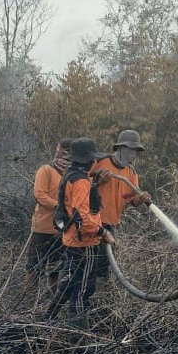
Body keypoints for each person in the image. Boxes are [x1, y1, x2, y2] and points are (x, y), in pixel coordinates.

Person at [45, 137, 115, 329]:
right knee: (83, 288)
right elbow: (82, 215)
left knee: (68, 282)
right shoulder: (81, 181)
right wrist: (102, 232)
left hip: (71, 240)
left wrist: (95, 181)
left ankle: (48, 318)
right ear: (89, 160)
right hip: (84, 243)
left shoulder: (71, 175)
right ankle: (78, 334)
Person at [90, 129, 152, 279]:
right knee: (85, 261)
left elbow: (130, 199)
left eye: (136, 152)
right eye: (131, 151)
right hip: (91, 221)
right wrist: (97, 182)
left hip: (111, 224)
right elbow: (81, 185)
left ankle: (98, 297)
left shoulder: (131, 173)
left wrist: (141, 198)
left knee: (104, 265)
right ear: (121, 148)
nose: (133, 156)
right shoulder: (99, 162)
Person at [24, 138, 72, 299]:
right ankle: (29, 302)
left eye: (68, 152)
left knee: (56, 268)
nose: (64, 154)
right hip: (42, 227)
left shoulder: (73, 174)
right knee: (34, 266)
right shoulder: (46, 170)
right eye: (62, 150)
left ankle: (54, 300)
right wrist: (59, 207)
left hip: (61, 230)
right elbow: (40, 195)